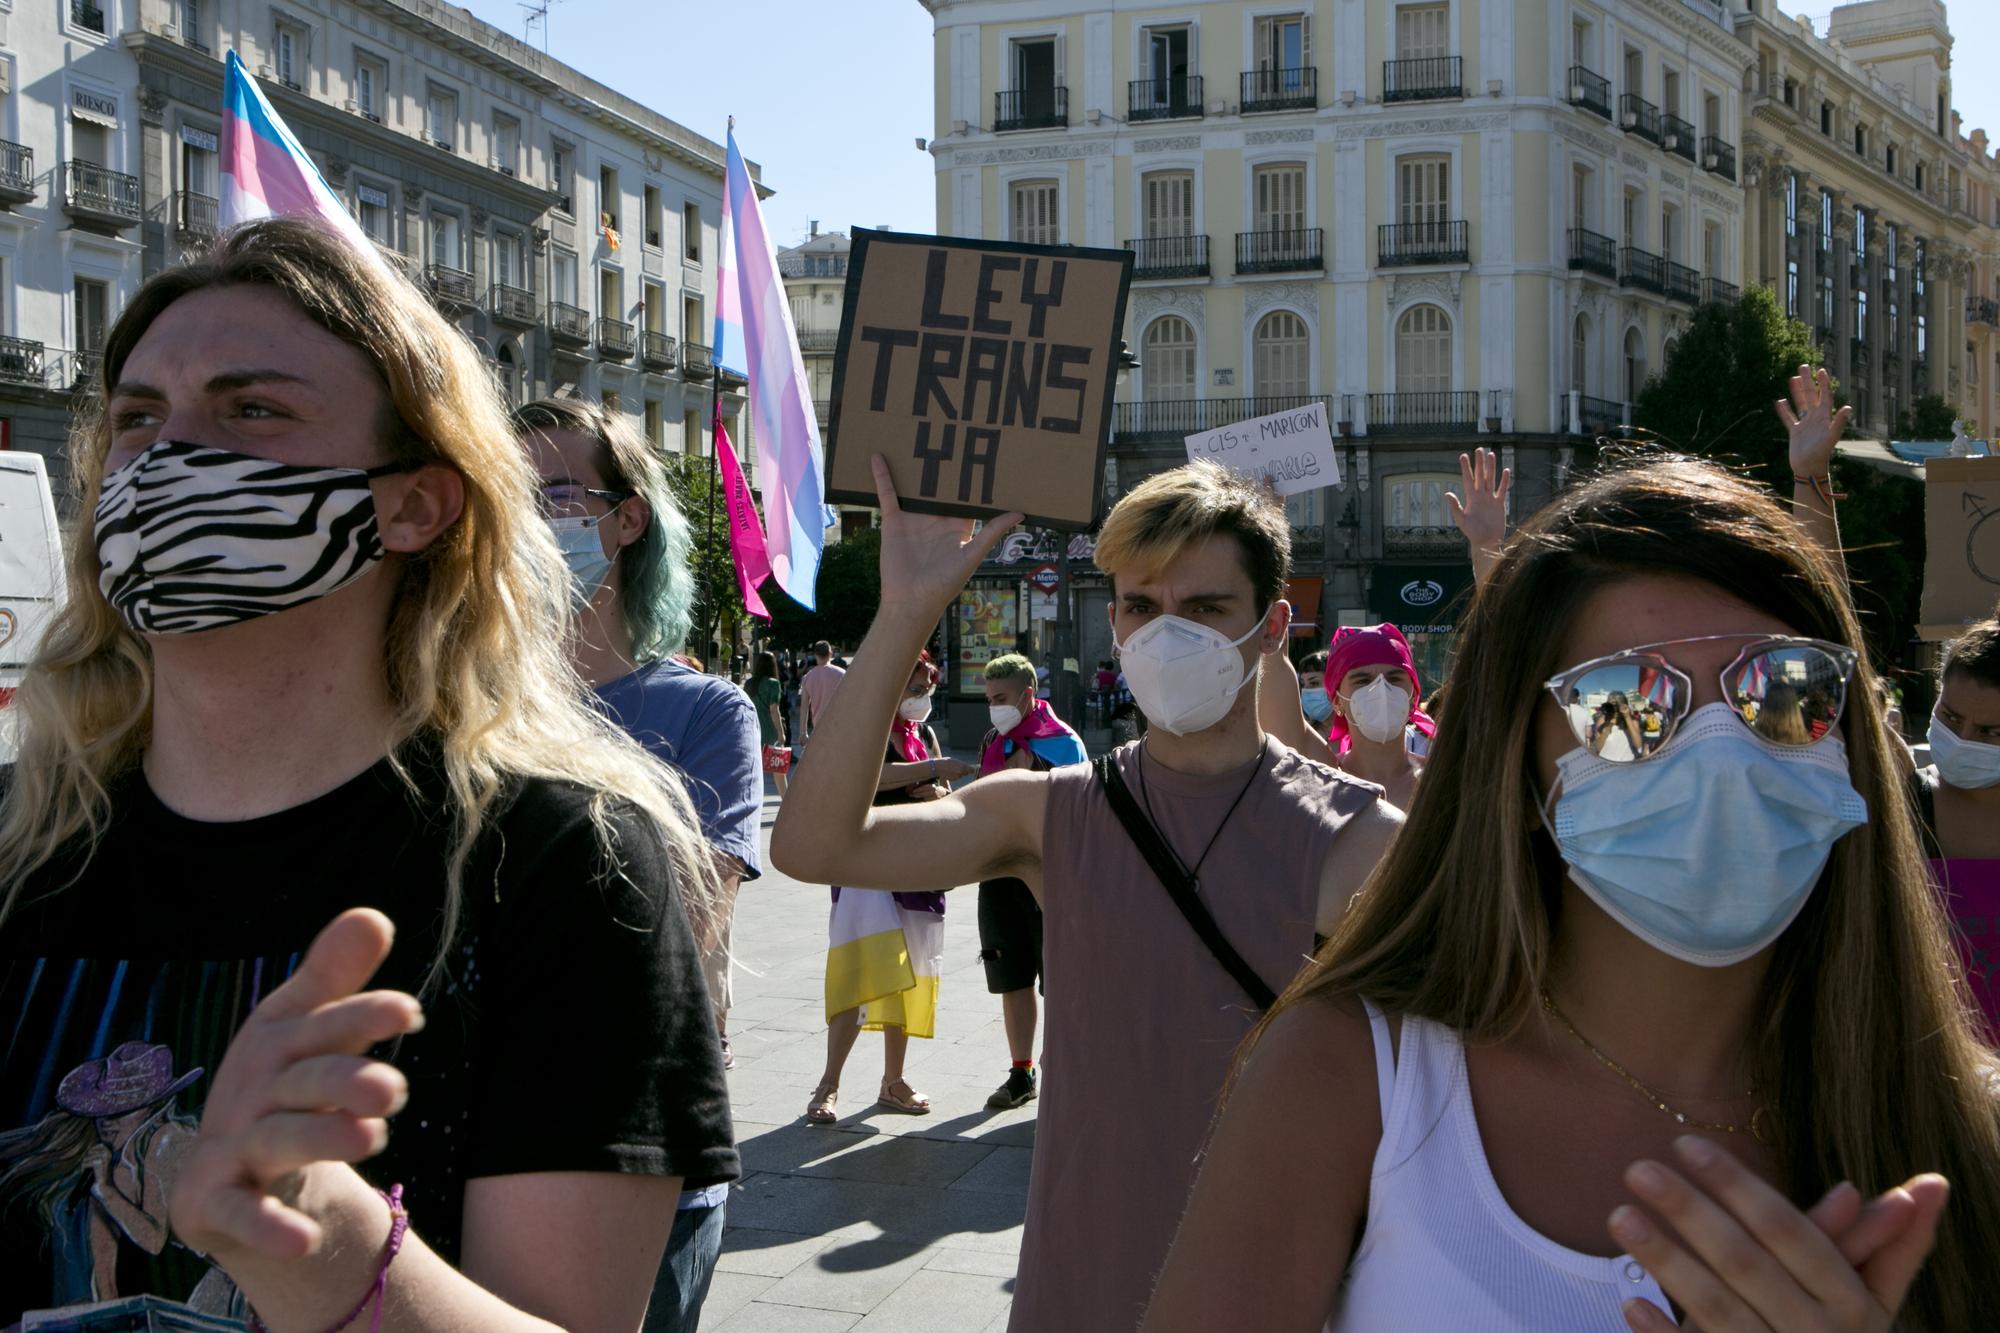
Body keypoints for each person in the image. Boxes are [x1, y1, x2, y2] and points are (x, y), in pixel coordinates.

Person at [0, 219, 736, 1330]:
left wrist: (325, 1239)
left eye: (251, 409)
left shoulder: (557, 861)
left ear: (414, 502)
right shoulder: (18, 841)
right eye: (138, 417)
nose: (163, 455)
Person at [1143, 456, 2000, 1332]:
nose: (1719, 753)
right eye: (1626, 706)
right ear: (1515, 771)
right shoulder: (1348, 1075)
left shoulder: (1963, 1124)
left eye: (1782, 687)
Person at [773, 457, 1400, 1331]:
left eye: (1206, 608)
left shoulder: (1363, 842)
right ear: (1112, 622)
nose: (1166, 634)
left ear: (1273, 625)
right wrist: (907, 608)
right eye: (1142, 607)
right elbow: (811, 843)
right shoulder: (1051, 814)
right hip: (1079, 1293)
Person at [512, 395, 759, 1333]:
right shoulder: (454, 709)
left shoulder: (705, 713)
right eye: (510, 493)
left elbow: (691, 933)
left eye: (559, 494)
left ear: (626, 519)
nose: (533, 519)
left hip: (640, 1144)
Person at [806, 651, 975, 1124]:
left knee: (908, 975)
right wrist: (932, 770)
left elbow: (939, 792)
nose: (923, 696)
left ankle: (893, 1082)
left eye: (927, 687)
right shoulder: (869, 727)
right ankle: (829, 1083)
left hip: (915, 871)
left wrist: (938, 792)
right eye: (916, 686)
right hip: (868, 871)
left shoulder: (921, 734)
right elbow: (868, 779)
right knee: (857, 971)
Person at [974, 653, 1088, 1110]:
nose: (993, 708)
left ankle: (1067, 1069)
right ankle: (1022, 1073)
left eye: (1001, 699)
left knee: (1059, 979)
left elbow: (1080, 811)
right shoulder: (992, 739)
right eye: (988, 699)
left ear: (1027, 696)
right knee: (1011, 974)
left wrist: (1031, 777)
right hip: (999, 875)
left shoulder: (1061, 742)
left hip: (1048, 876)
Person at [1913, 616, 2000, 1042]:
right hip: (1929, 1074)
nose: (1963, 739)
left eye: (1991, 732)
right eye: (1950, 716)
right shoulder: (1905, 804)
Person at [1263, 626, 1434, 812]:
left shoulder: (1439, 776)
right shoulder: (1326, 774)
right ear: (1337, 702)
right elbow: (1275, 668)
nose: (1381, 690)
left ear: (1413, 696)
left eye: (1394, 679)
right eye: (1362, 681)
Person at [749, 651, 791, 798]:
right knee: (778, 770)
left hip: (753, 729)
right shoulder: (773, 683)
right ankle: (785, 800)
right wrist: (781, 732)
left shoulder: (750, 683)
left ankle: (754, 799)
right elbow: (774, 710)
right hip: (769, 730)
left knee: (755, 768)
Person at [797, 639, 845, 757]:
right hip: (839, 725)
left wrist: (803, 732)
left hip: (818, 726)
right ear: (830, 653)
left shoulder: (808, 677)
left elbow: (804, 707)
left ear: (815, 655)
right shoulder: (842, 674)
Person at [1296, 650, 1333, 730]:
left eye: (1314, 683)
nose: (1306, 691)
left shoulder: (1356, 734)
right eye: (1302, 684)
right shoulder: (1301, 735)